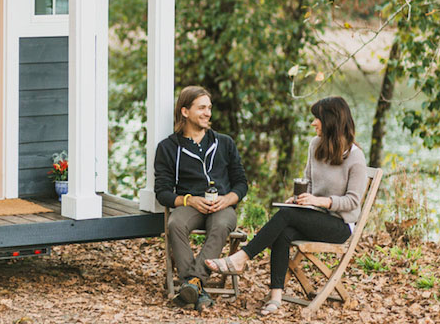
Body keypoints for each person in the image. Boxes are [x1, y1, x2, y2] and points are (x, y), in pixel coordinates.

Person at [205, 96, 368, 317]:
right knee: (284, 231)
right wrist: (300, 198)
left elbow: (353, 201)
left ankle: (241, 258)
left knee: (285, 217)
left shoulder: (355, 158)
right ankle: (275, 297)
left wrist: (320, 201)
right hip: (313, 216)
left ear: (330, 121)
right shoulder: (315, 145)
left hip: (340, 224)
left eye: (316, 119)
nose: (313, 123)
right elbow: (308, 181)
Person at [154, 86, 248, 311]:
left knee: (221, 224)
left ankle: (192, 283)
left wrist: (228, 199)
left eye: (209, 108)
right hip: (191, 205)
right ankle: (198, 289)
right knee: (175, 223)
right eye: (202, 108)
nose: (208, 113)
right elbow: (163, 192)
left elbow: (241, 183)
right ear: (185, 112)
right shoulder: (168, 148)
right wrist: (189, 200)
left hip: (222, 206)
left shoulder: (224, 143)